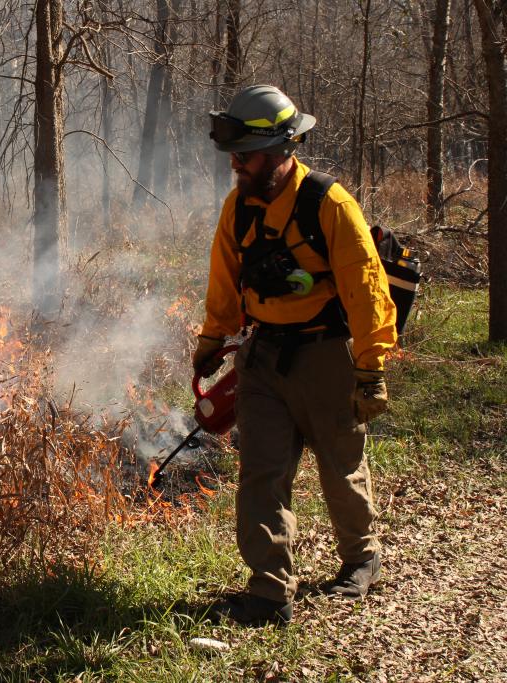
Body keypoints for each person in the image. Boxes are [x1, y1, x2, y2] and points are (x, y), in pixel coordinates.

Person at [195, 84, 398, 626]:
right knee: (262, 471)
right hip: (262, 356)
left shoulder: (327, 203)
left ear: (283, 150)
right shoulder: (238, 206)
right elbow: (224, 280)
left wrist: (371, 366)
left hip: (324, 353)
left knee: (340, 463)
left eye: (246, 154)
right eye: (233, 154)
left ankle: (362, 558)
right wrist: (211, 341)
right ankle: (268, 591)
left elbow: (365, 287)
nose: (235, 164)